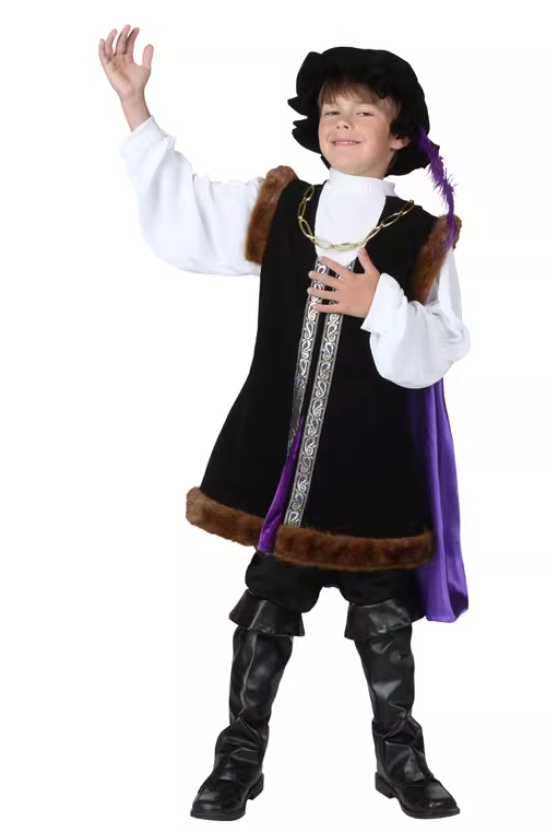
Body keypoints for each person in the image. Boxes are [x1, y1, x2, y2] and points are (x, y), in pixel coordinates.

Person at [99, 27, 471, 822]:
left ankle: (400, 758)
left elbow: (442, 346)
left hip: (371, 470)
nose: (343, 124)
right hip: (284, 470)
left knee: (383, 619)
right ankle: (239, 758)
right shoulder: (285, 209)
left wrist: (380, 303)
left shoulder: (421, 236)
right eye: (331, 111)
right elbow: (189, 213)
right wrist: (136, 106)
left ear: (398, 135)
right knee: (267, 609)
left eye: (363, 112)